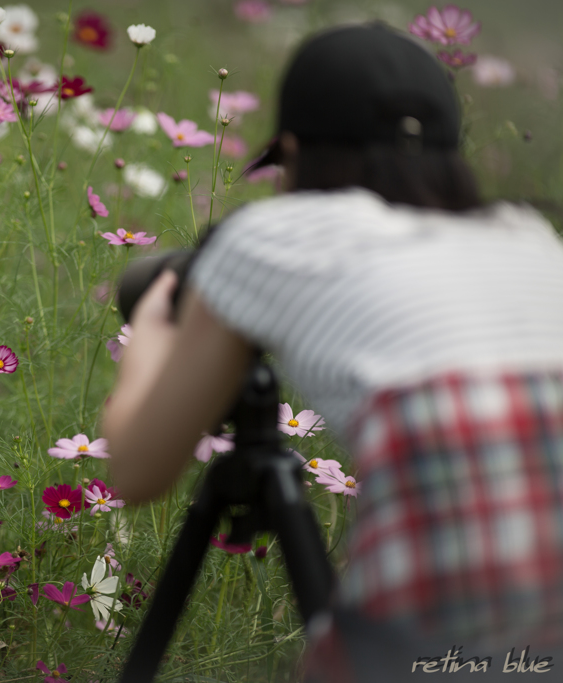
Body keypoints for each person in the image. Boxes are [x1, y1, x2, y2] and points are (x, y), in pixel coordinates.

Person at [104, 22, 563, 682]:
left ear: (292, 151)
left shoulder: (272, 236)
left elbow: (136, 472)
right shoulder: (530, 240)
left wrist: (152, 332)